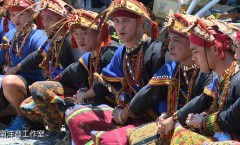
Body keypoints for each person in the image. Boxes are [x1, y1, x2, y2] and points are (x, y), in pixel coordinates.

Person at [65, 0, 168, 144]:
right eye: (117, 21)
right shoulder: (122, 51)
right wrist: (83, 96)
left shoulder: (155, 52)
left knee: (107, 140)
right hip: (127, 113)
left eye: (126, 21)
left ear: (141, 21)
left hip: (154, 118)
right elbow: (105, 80)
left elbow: (156, 93)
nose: (120, 26)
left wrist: (124, 113)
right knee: (75, 116)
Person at [20, 8, 119, 137]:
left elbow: (104, 85)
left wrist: (83, 96)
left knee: (74, 114)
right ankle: (60, 131)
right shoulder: (91, 54)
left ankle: (66, 133)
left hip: (117, 107)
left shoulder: (110, 52)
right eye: (75, 33)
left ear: (99, 33)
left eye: (84, 32)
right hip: (89, 98)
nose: (79, 38)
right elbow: (72, 72)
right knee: (31, 102)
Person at [118, 13, 214, 144]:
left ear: (193, 42)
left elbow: (207, 105)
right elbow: (148, 93)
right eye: (170, 39)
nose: (170, 46)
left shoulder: (208, 71)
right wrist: (163, 115)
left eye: (177, 40)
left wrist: (176, 121)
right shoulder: (173, 68)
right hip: (173, 129)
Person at [160, 17, 240, 143]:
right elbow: (202, 99)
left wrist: (202, 121)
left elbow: (232, 118)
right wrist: (175, 119)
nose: (193, 57)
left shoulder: (237, 79)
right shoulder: (223, 78)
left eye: (196, 52)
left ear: (214, 49)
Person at [0, 0, 48, 131]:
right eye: (12, 15)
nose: (15, 19)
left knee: (9, 82)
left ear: (32, 14)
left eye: (20, 14)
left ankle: (23, 120)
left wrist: (14, 70)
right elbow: (2, 59)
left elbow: (39, 58)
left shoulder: (39, 35)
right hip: (17, 81)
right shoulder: (10, 35)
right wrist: (5, 68)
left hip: (35, 84)